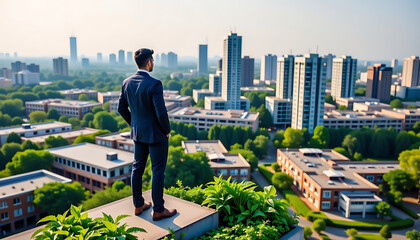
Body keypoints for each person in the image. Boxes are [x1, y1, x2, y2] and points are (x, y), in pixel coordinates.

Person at [118, 48, 177, 221]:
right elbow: (161, 113)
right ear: (149, 63)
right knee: (157, 171)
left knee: (137, 169)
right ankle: (158, 209)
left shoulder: (126, 82)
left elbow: (121, 109)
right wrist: (166, 130)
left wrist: (134, 125)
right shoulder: (154, 84)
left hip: (138, 134)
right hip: (156, 135)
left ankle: (138, 205)